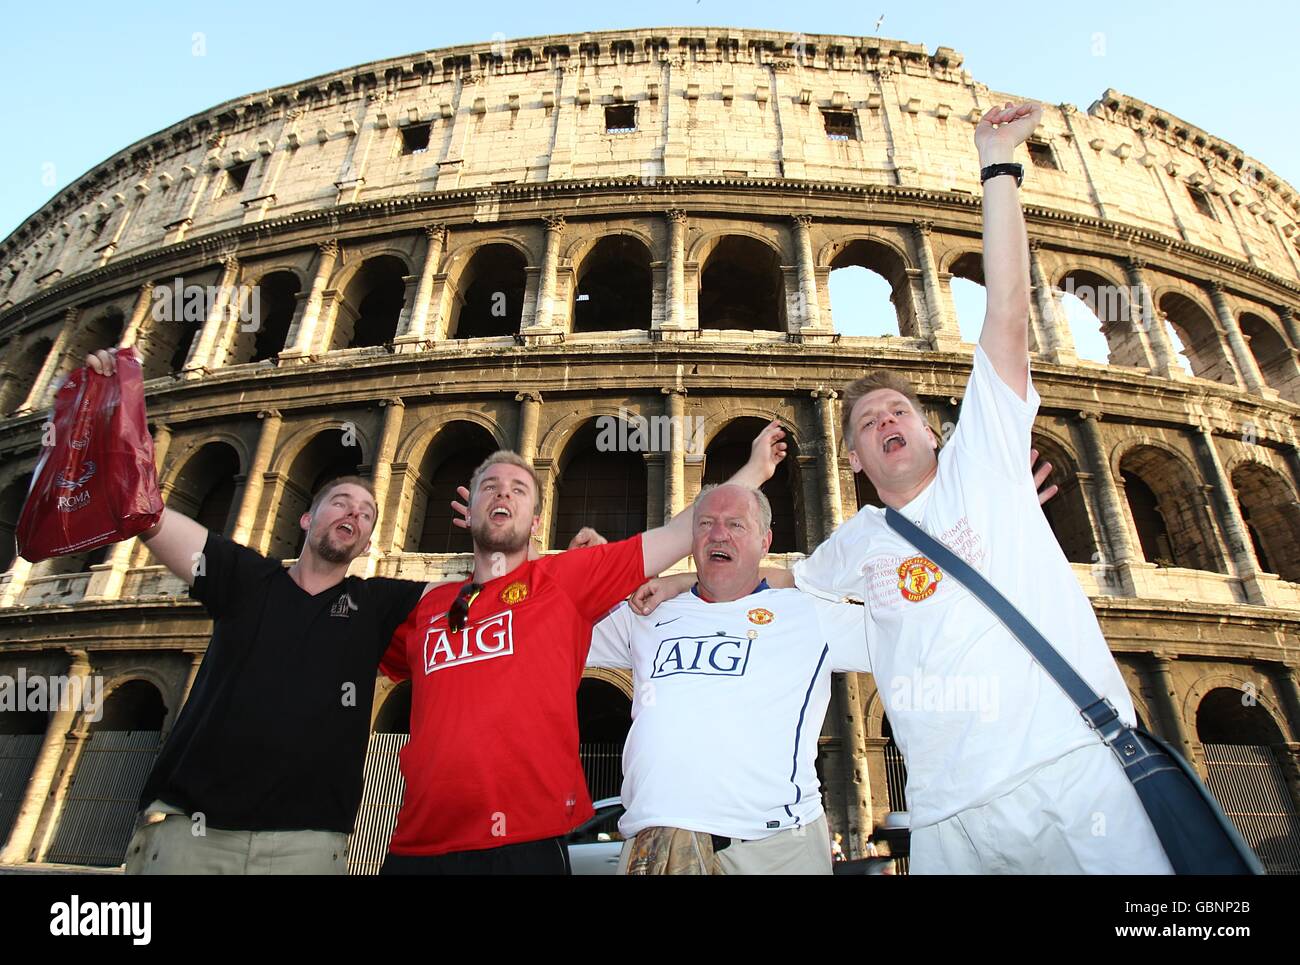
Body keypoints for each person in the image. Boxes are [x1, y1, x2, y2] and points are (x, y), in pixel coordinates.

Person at [637, 103, 1173, 875]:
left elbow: (1009, 318)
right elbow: (781, 576)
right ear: (852, 459)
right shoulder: (858, 542)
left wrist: (996, 168)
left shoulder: (984, 466)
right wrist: (684, 579)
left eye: (901, 411)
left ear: (933, 431)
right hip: (947, 814)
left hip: (1069, 772)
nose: (886, 420)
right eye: (866, 421)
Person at [84, 349, 438, 874]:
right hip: (193, 836)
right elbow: (143, 513)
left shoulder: (378, 603)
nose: (354, 514)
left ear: (366, 543)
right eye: (340, 502)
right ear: (305, 517)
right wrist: (111, 405)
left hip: (310, 843)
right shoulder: (243, 578)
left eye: (366, 514)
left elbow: (481, 598)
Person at [378, 429, 787, 874]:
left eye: (519, 490)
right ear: (466, 510)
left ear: (536, 522)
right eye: (490, 488)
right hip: (416, 847)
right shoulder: (426, 606)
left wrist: (755, 471)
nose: (503, 494)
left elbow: (684, 531)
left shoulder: (564, 581)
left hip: (524, 844)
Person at [586, 482, 869, 875]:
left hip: (773, 851)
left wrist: (798, 576)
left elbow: (906, 630)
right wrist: (590, 571)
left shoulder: (808, 612)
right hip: (656, 846)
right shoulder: (649, 610)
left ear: (765, 540)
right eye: (705, 524)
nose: (718, 534)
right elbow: (551, 627)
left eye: (736, 524)